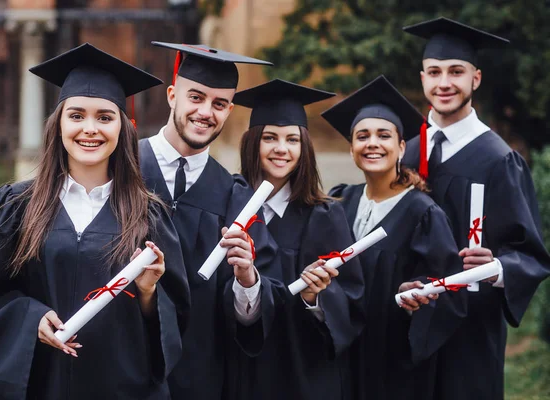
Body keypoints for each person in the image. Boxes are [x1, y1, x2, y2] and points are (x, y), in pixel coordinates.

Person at [0, 43, 190, 400]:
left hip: (120, 388)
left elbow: (174, 324)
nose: (90, 129)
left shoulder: (149, 215)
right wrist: (30, 317)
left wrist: (147, 291)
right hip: (39, 386)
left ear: (123, 129)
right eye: (76, 115)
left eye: (105, 117)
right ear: (59, 125)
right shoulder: (17, 205)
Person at [402, 17, 550, 399]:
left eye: (456, 71)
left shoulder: (499, 160)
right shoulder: (406, 150)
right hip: (408, 319)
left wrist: (496, 267)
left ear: (476, 79)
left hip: (469, 330)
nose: (444, 83)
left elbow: (531, 254)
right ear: (422, 80)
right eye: (434, 72)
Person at [139, 42, 284, 400]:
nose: (206, 112)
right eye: (196, 97)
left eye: (219, 104)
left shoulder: (236, 198)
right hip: (119, 365)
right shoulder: (123, 167)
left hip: (196, 376)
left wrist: (247, 278)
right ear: (172, 95)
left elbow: (254, 315)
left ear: (230, 109)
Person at [323, 75, 467, 400]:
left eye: (383, 135)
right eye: (362, 136)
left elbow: (451, 290)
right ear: (351, 148)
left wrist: (415, 295)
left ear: (401, 146)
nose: (372, 143)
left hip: (394, 367)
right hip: (341, 359)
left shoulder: (423, 214)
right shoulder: (340, 203)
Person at [224, 78, 366, 400]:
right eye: (270, 137)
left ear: (304, 148)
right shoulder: (231, 206)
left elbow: (352, 299)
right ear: (252, 143)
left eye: (292, 139)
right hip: (246, 371)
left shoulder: (325, 215)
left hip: (306, 373)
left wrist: (315, 298)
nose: (281, 149)